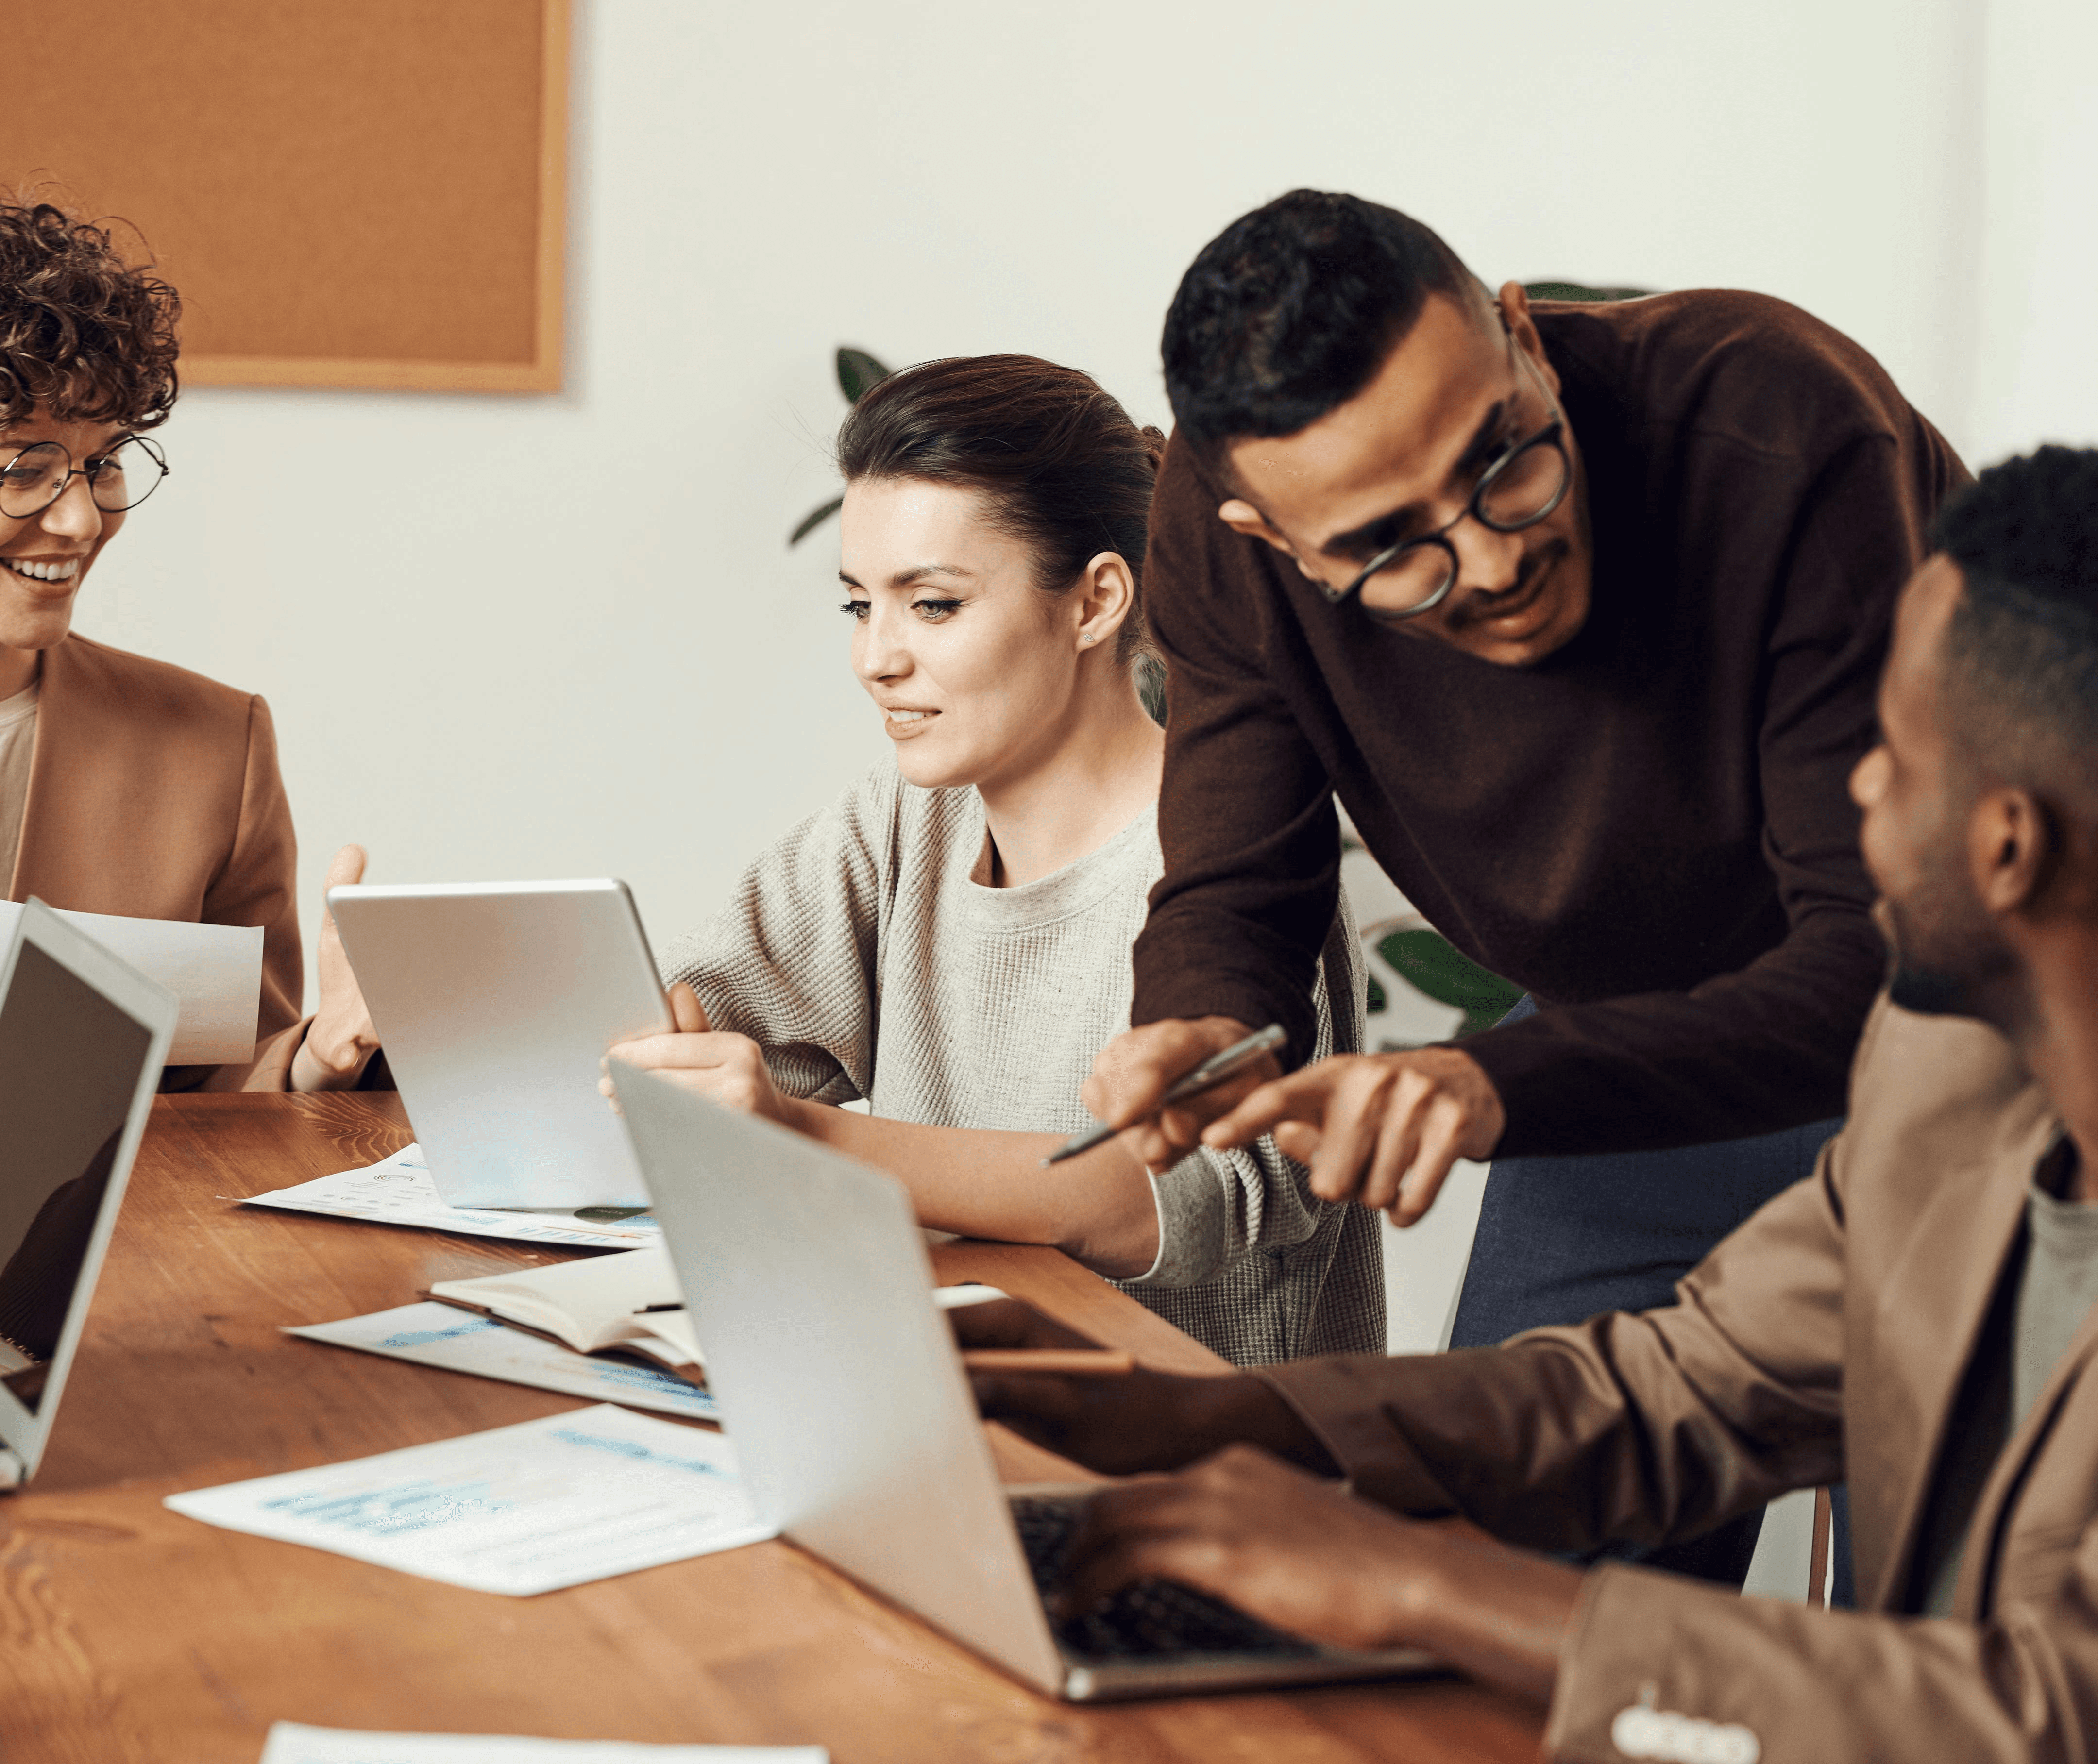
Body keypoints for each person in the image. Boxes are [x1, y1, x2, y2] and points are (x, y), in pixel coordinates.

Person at [965, 447, 2098, 1759]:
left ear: (2006, 844)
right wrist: (1228, 1417)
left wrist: (1419, 1584)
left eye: (1891, 755)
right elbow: (1679, 1387)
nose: (1853, 787)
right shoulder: (1945, 1077)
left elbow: (2049, 1712)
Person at [1086, 191, 1965, 1581]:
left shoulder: (1778, 425)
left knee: (1930, 1642)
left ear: (1521, 340)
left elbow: (1880, 956)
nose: (1493, 559)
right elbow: (1233, 886)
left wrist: (1486, 1086)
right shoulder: (1211, 539)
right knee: (1507, 1605)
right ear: (1272, 540)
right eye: (1387, 547)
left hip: (1951, 1078)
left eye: (1502, 460)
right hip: (1617, 1081)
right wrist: (1199, 1019)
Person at [608, 355, 1381, 1366]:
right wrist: (362, 1046)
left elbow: (1179, 1203)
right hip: (955, 1419)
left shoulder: (1244, 863)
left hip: (1216, 1477)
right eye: (859, 605)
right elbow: (685, 1029)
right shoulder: (904, 824)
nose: (876, 657)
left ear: (1097, 601)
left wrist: (807, 1138)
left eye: (932, 605)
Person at [0, 177, 378, 1093]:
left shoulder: (211, 748)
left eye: (101, 462)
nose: (80, 519)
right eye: (24, 466)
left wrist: (314, 1060)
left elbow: (226, 1107)